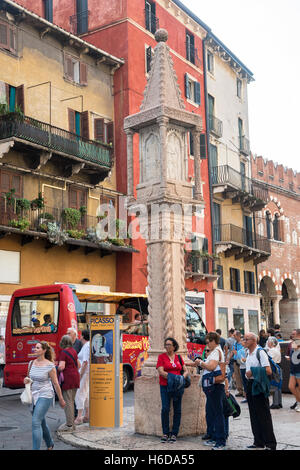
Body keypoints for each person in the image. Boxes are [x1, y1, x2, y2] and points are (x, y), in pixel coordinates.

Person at [24, 341, 65, 450]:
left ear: (44, 350)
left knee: (35, 421)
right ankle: (50, 443)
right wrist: (26, 380)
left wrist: (61, 399)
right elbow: (28, 379)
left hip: (45, 394)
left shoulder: (49, 365)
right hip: (33, 394)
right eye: (35, 348)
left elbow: (56, 383)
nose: (35, 349)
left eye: (37, 348)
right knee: (41, 422)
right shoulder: (31, 363)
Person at [244, 332, 277, 450]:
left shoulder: (260, 352)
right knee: (254, 414)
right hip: (250, 384)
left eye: (246, 339)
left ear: (253, 340)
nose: (244, 341)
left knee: (264, 415)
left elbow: (268, 370)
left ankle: (270, 443)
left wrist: (253, 371)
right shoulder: (248, 353)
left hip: (258, 385)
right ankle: (258, 441)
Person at [195, 332, 227, 450]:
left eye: (208, 342)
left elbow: (211, 367)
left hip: (215, 386)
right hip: (213, 386)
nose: (207, 344)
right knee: (213, 412)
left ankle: (220, 441)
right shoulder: (214, 351)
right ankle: (215, 438)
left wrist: (200, 363)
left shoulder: (216, 352)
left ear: (214, 341)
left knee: (218, 414)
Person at [156, 337, 189, 443]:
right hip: (165, 386)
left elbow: (186, 370)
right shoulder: (161, 357)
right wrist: (174, 378)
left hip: (177, 387)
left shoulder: (179, 357)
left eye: (169, 345)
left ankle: (174, 433)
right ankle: (165, 433)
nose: (167, 346)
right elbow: (161, 371)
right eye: (165, 344)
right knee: (165, 409)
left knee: (177, 409)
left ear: (174, 346)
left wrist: (182, 378)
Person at [57, 335, 80, 431]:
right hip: (75, 376)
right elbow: (79, 364)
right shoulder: (73, 351)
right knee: (72, 400)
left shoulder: (64, 352)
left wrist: (56, 367)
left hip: (68, 378)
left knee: (68, 402)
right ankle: (72, 424)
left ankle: (69, 425)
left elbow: (61, 367)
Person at [74, 329, 90, 425]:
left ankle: (79, 417)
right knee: (86, 393)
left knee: (79, 393)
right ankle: (87, 415)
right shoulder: (87, 346)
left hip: (84, 373)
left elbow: (85, 362)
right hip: (86, 372)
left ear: (83, 336)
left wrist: (80, 375)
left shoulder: (86, 346)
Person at [267, 336, 282, 409]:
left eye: (269, 341)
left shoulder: (272, 350)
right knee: (278, 386)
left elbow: (269, 360)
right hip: (278, 367)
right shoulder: (277, 349)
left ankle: (275, 403)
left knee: (274, 386)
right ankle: (279, 402)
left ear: (272, 343)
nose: (267, 343)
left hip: (274, 368)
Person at [288, 329, 300, 412]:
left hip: (299, 368)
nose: (292, 335)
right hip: (293, 368)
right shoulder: (294, 342)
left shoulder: (296, 343)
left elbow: (295, 349)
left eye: (294, 334)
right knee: (291, 387)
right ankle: (299, 402)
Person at [232, 330, 244, 397]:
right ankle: (240, 390)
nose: (234, 337)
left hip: (242, 362)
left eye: (235, 335)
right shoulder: (235, 343)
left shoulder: (243, 343)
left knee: (242, 376)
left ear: (238, 336)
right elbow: (232, 351)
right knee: (237, 377)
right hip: (235, 361)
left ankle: (244, 391)